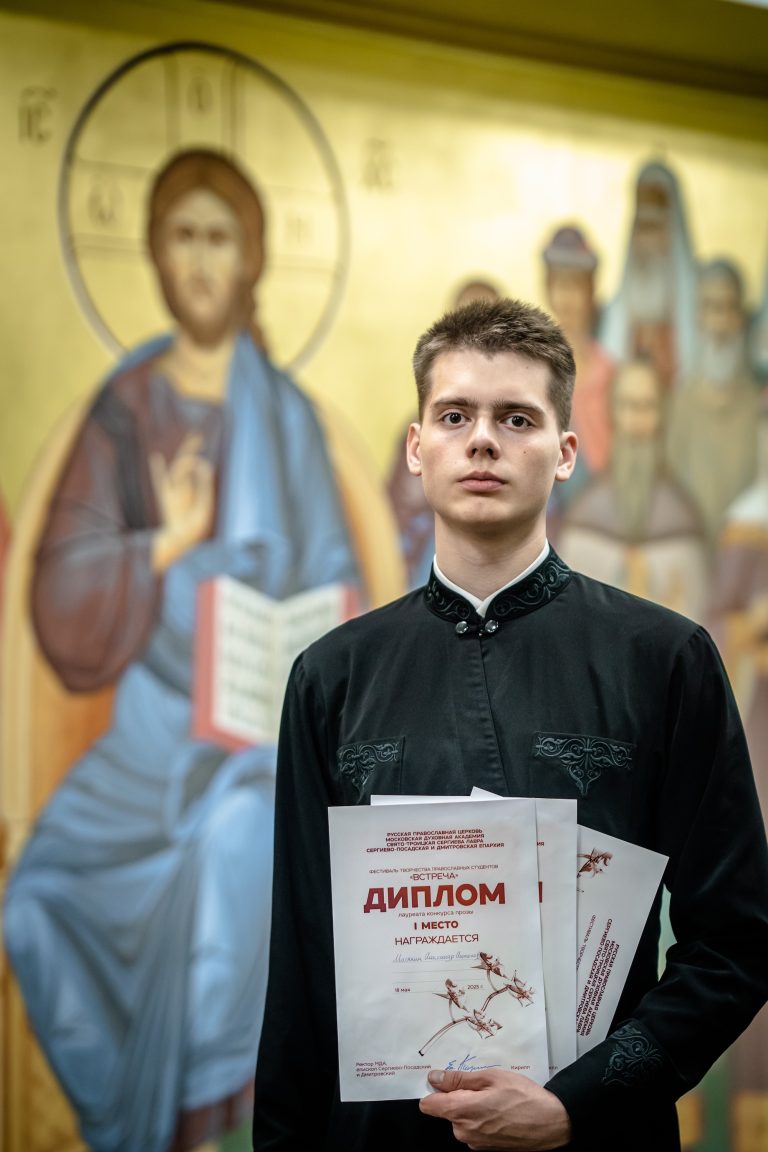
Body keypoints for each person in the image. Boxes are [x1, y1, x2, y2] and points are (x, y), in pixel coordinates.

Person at [252, 297, 768, 1151]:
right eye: (455, 415)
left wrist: (577, 1106)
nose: (483, 440)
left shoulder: (665, 659)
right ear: (417, 446)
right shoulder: (331, 679)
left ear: (565, 453)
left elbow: (738, 943)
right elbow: (302, 965)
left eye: (517, 418)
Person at [3, 148, 359, 1152]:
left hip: (261, 745)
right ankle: (132, 1130)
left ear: (252, 259)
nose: (202, 260)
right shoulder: (123, 412)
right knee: (33, 904)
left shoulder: (287, 419)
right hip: (151, 734)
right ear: (156, 256)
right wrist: (164, 544)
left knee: (234, 856)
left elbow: (337, 579)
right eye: (183, 237)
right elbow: (60, 590)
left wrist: (300, 649)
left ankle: (215, 1135)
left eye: (220, 238)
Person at [558, 357, 709, 620]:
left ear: (662, 414)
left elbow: (697, 611)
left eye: (647, 406)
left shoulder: (681, 512)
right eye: (627, 405)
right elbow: (568, 607)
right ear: (612, 412)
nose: (637, 419)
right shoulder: (587, 508)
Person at [667, 258, 760, 551]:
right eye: (710, 307)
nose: (719, 323)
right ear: (698, 316)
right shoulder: (678, 403)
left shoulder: (759, 406)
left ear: (741, 317)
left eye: (728, 307)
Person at [599, 160, 698, 390]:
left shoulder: (701, 308)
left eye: (654, 226)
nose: (646, 240)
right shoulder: (611, 312)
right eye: (641, 226)